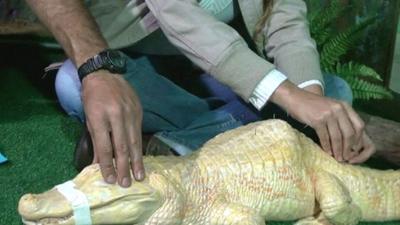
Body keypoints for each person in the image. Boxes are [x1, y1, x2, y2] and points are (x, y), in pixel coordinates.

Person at [25, 0, 375, 188]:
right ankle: (230, 128)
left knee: (332, 90)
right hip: (143, 64)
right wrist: (293, 104)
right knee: (72, 83)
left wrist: (310, 100)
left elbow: (288, 26)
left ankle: (171, 145)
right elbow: (187, 25)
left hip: (219, 75)